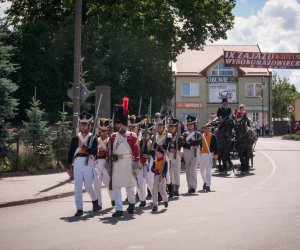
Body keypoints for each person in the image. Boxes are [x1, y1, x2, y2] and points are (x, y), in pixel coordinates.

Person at [109, 98, 140, 217]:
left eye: (117, 123)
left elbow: (136, 151)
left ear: (122, 123)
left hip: (127, 162)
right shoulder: (112, 137)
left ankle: (132, 203)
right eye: (115, 123)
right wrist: (109, 162)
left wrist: (136, 165)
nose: (116, 125)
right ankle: (119, 209)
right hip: (116, 163)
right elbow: (109, 151)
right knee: (116, 186)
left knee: (129, 186)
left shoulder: (132, 136)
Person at [67, 111, 101, 217]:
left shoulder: (93, 138)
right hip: (77, 162)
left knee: (88, 186)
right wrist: (69, 165)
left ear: (89, 125)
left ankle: (95, 201)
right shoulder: (75, 138)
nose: (83, 126)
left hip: (88, 162)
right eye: (82, 124)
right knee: (77, 187)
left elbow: (95, 152)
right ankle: (79, 209)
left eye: (85, 124)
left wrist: (87, 148)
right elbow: (71, 152)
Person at [94, 118, 115, 209]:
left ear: (108, 130)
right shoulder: (95, 140)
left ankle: (113, 199)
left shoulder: (110, 140)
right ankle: (99, 204)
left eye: (105, 131)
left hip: (106, 163)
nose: (103, 132)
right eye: (102, 130)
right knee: (97, 184)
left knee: (108, 183)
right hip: (97, 162)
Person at [180, 115, 201, 194]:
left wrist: (188, 144)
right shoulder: (184, 134)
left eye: (191, 124)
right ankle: (189, 187)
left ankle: (193, 186)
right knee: (188, 170)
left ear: (194, 125)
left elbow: (198, 142)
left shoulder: (197, 134)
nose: (190, 126)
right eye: (188, 124)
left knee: (193, 169)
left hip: (195, 153)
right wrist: (191, 145)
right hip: (186, 153)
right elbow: (182, 143)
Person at [199, 123, 218, 192]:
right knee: (201, 170)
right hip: (202, 154)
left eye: (208, 128)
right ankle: (205, 181)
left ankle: (208, 185)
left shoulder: (213, 137)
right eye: (205, 128)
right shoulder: (202, 136)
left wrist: (215, 155)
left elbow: (216, 147)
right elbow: (199, 145)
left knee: (208, 171)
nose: (207, 130)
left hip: (209, 154)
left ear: (210, 129)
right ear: (204, 129)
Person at [151, 145, 168, 212]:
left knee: (162, 191)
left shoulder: (165, 162)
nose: (156, 155)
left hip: (162, 178)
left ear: (162, 154)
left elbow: (165, 170)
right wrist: (156, 170)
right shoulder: (155, 162)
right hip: (156, 176)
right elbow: (152, 169)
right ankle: (155, 205)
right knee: (154, 190)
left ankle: (165, 200)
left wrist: (163, 174)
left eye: (158, 154)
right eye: (156, 154)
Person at [167, 117, 182, 196]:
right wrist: (170, 149)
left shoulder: (179, 137)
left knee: (176, 172)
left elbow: (180, 147)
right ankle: (171, 188)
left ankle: (177, 188)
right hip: (169, 155)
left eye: (173, 127)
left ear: (176, 128)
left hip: (177, 156)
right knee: (170, 173)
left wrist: (175, 150)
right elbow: (165, 146)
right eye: (170, 127)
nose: (171, 128)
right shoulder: (167, 136)